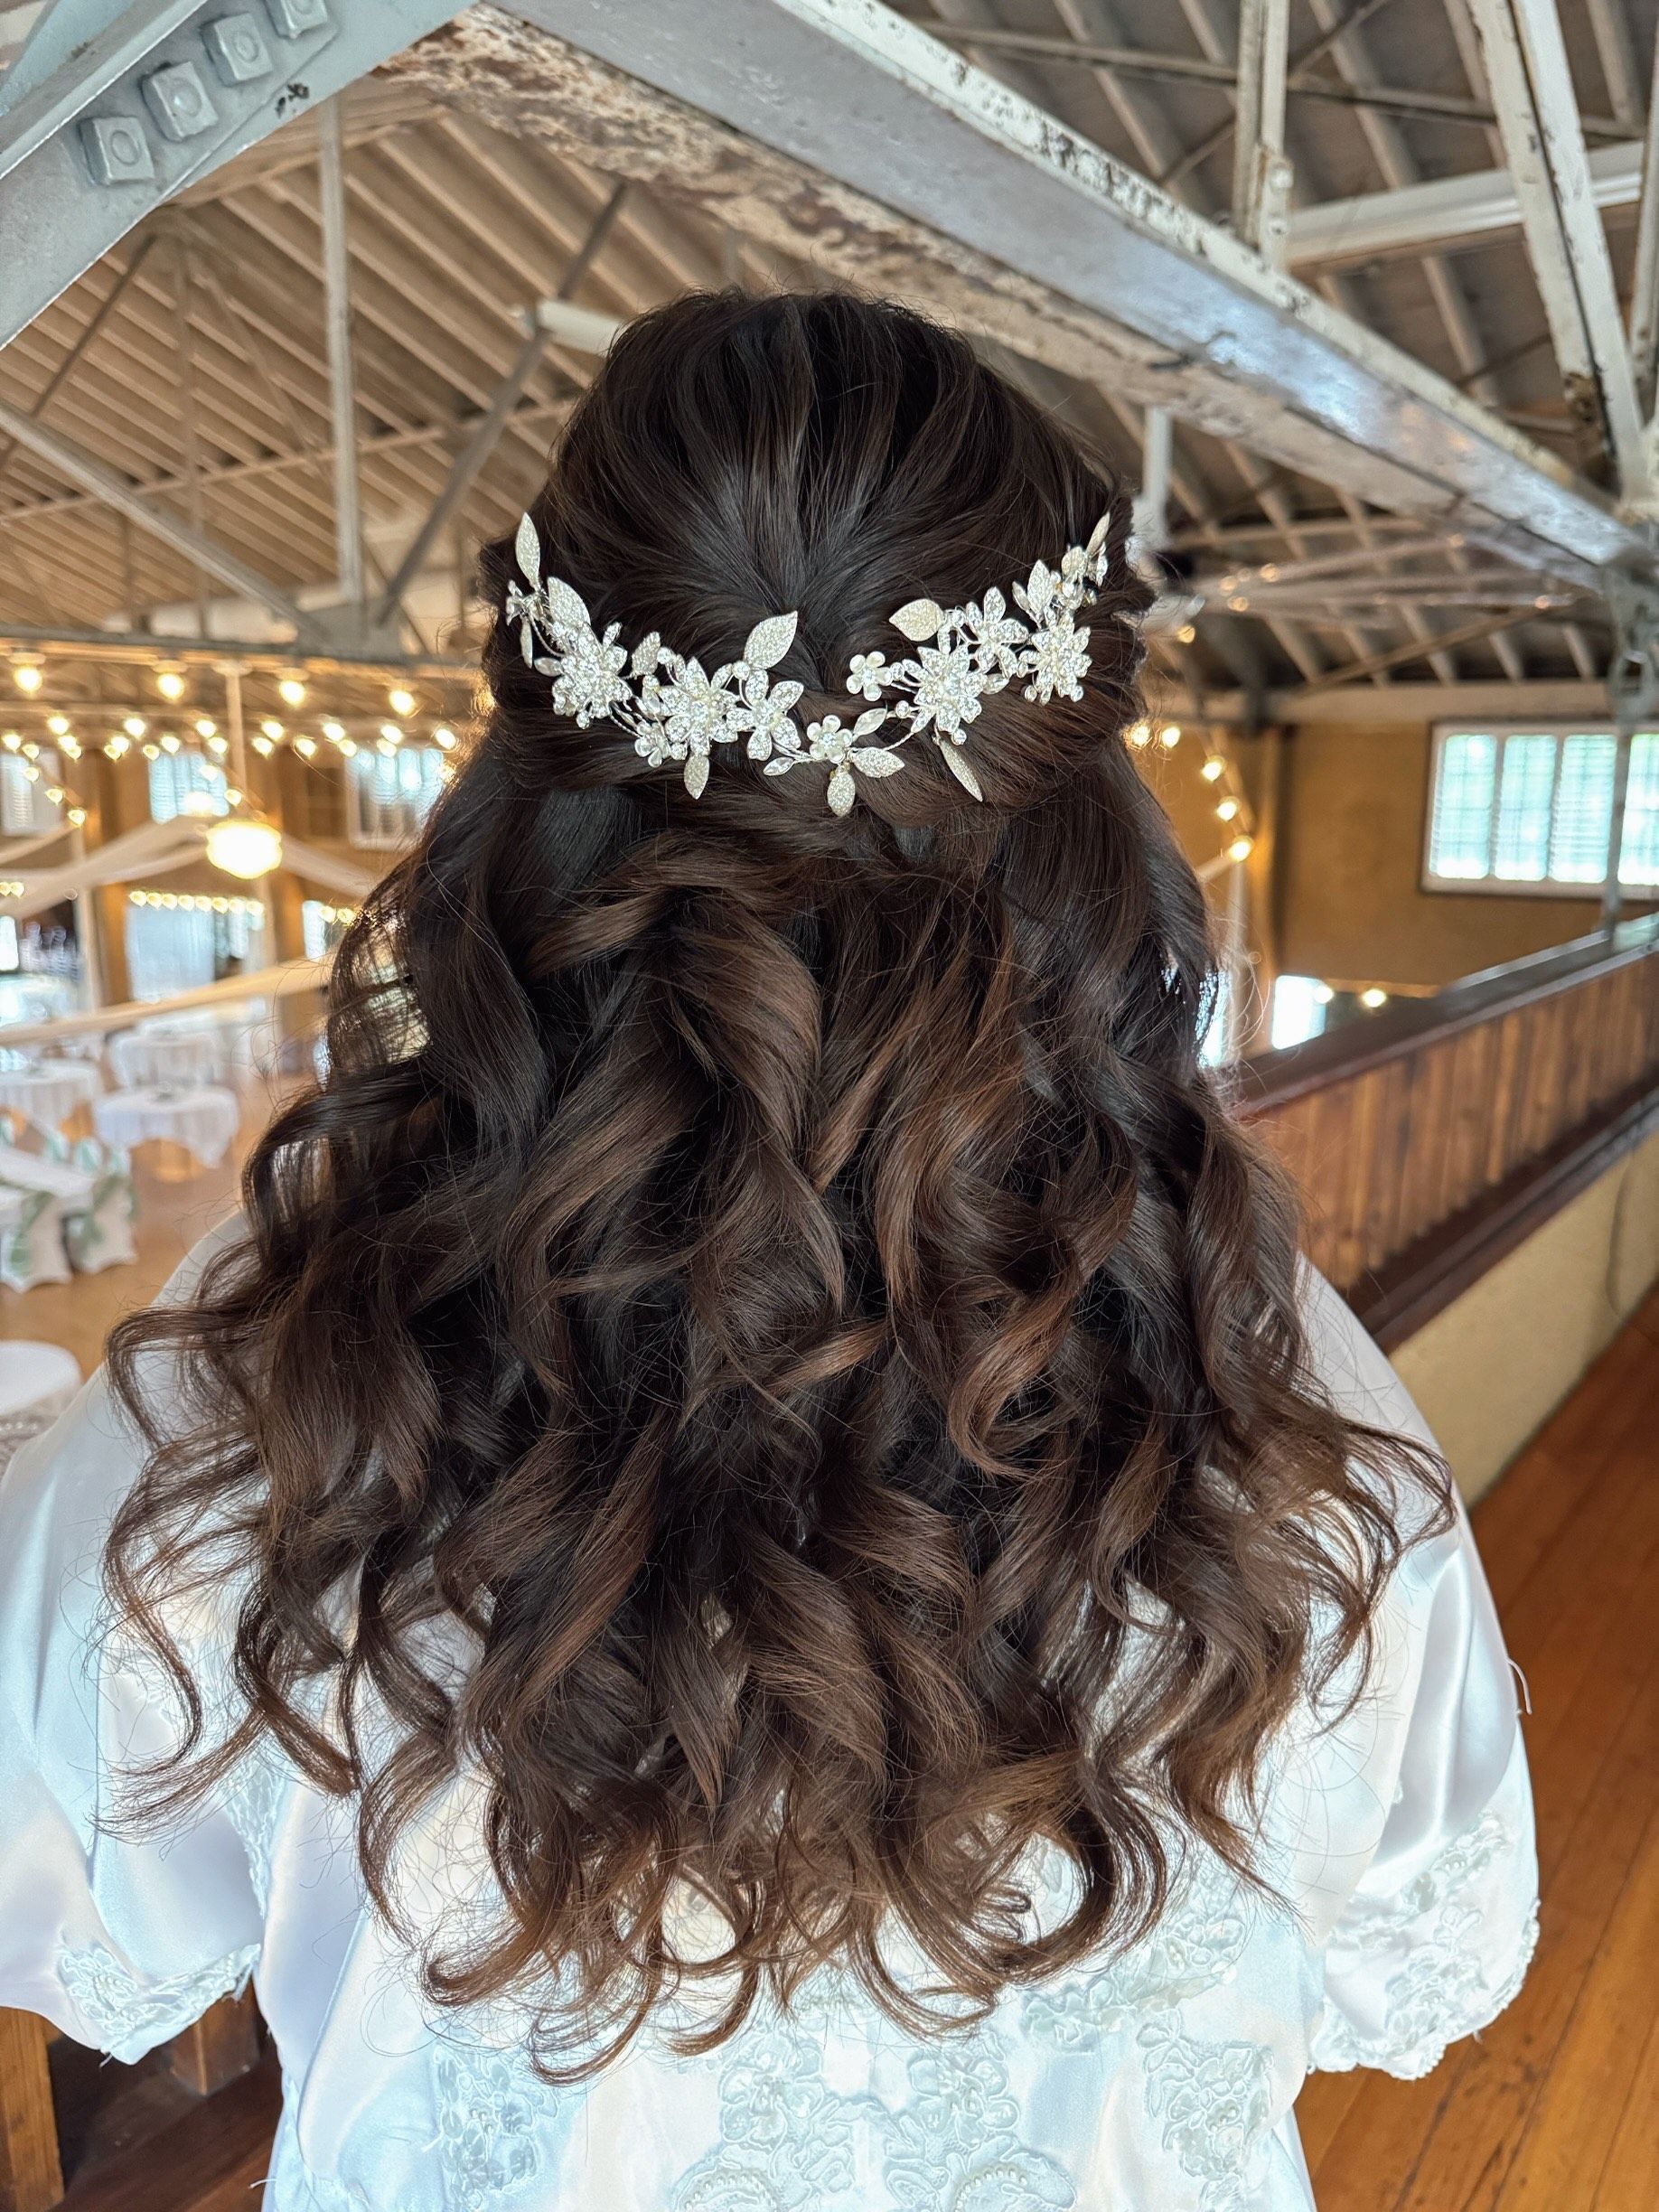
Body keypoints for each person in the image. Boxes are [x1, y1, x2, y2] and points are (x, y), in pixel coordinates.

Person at [0, 293, 1535, 2212]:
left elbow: (79, 1909)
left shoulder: (256, 1417)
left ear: (523, 798)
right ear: (1088, 829)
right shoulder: (1276, 1440)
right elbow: (1425, 1956)